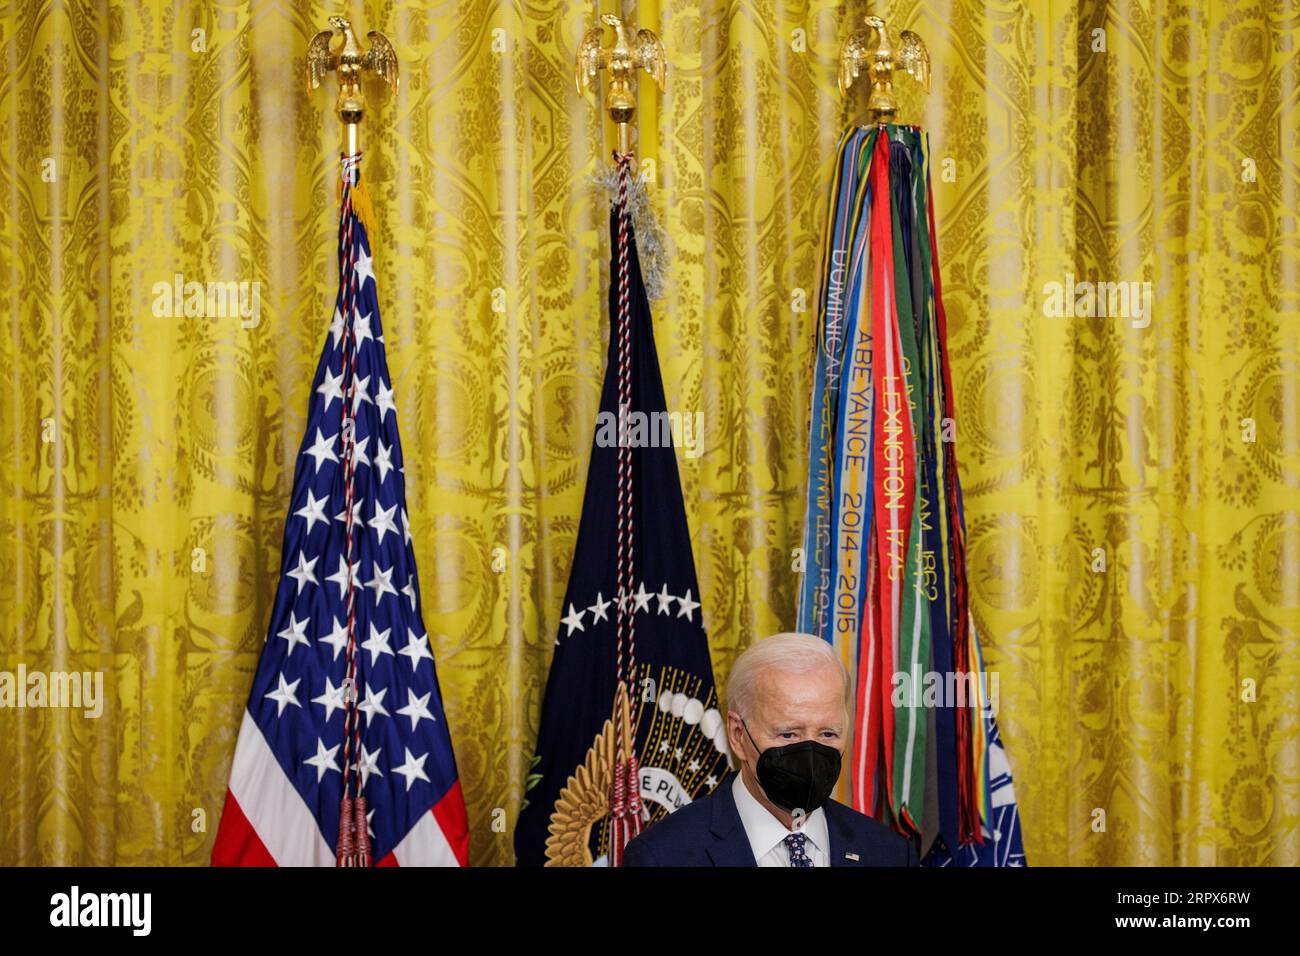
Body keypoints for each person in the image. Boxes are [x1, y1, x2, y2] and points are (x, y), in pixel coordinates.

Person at [623, 632, 918, 867]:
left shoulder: (889, 853)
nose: (811, 754)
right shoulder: (661, 856)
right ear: (738, 735)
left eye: (828, 733)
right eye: (788, 734)